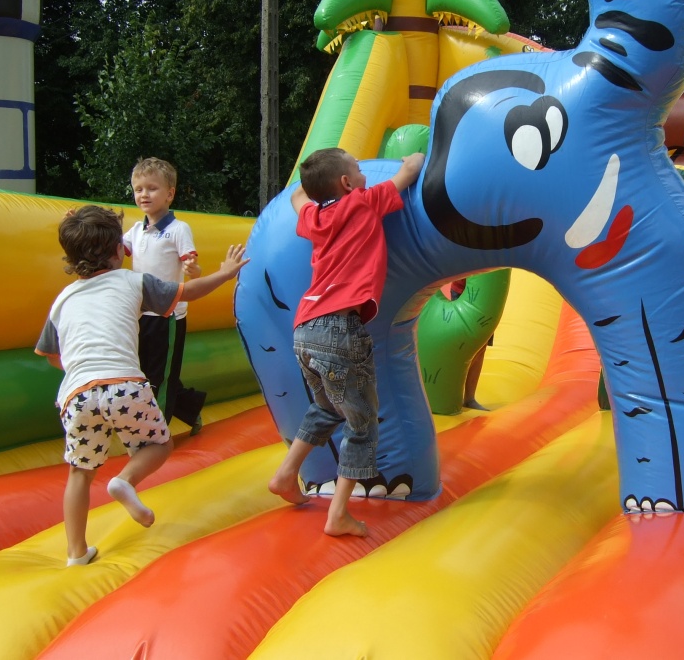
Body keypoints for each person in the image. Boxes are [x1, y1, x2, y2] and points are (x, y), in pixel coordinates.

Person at [35, 205, 248, 566]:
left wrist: (81, 371)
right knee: (159, 445)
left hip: (77, 394)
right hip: (124, 384)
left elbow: (52, 356)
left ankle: (76, 552)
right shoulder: (132, 281)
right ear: (117, 251)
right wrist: (225, 273)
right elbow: (188, 292)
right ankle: (125, 480)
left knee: (79, 473)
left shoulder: (62, 301)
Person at [268, 148, 425, 537]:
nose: (364, 174)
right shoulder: (363, 201)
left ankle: (286, 475)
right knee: (363, 422)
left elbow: (298, 196)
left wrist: (310, 185)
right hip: (339, 328)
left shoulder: (313, 217)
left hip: (305, 328)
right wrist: (413, 156)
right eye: (358, 168)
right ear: (346, 183)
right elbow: (410, 171)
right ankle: (338, 514)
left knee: (326, 407)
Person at [122, 158, 207, 434]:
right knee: (146, 371)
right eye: (138, 189)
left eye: (152, 188)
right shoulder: (136, 230)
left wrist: (193, 270)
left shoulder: (178, 230)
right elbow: (114, 248)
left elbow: (193, 266)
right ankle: (189, 408)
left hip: (168, 315)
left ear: (170, 194)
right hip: (141, 313)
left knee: (160, 375)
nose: (144, 195)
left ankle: (157, 433)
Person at [442, 278, 490, 411]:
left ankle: (469, 398)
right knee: (460, 344)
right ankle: (450, 395)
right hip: (462, 292)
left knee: (481, 346)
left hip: (486, 293)